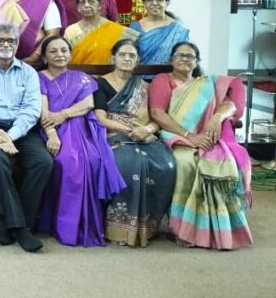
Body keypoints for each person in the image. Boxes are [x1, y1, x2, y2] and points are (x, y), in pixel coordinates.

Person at [149, 41, 252, 250]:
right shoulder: (163, 79)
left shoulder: (207, 83)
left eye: (190, 56)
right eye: (180, 55)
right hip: (174, 134)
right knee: (186, 162)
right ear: (172, 60)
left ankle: (214, 228)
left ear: (197, 62)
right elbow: (157, 113)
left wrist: (216, 117)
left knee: (222, 162)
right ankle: (181, 229)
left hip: (206, 135)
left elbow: (233, 102)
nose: (185, 59)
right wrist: (189, 136)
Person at [0, 24, 52, 252]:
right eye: (1, 40)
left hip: (21, 130)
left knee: (43, 162)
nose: (6, 44)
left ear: (17, 44)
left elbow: (32, 110)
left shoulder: (28, 72)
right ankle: (22, 228)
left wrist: (10, 136)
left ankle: (10, 224)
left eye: (11, 41)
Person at [37, 36, 125, 247]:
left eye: (63, 50)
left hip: (81, 127)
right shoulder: (38, 78)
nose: (59, 55)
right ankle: (64, 225)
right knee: (66, 162)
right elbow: (43, 111)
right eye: (53, 51)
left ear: (70, 54)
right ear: (45, 57)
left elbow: (88, 104)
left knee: (94, 160)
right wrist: (52, 134)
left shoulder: (82, 78)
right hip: (51, 128)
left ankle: (85, 224)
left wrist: (64, 114)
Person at [93, 39, 177, 247]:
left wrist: (147, 130)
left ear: (138, 60)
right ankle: (120, 228)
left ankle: (148, 226)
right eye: (122, 54)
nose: (127, 59)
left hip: (145, 136)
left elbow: (157, 117)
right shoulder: (100, 84)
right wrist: (130, 130)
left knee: (166, 164)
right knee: (128, 163)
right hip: (115, 135)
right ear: (113, 58)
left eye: (131, 55)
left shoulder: (145, 87)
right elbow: (101, 119)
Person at [3, 0, 65, 64]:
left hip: (35, 62)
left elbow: (53, 34)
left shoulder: (46, 0)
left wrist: (33, 57)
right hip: (3, 58)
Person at [63, 0, 138, 64]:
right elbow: (66, 58)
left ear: (100, 5)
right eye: (82, 2)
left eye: (91, 1)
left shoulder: (118, 31)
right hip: (78, 72)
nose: (86, 5)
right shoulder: (71, 31)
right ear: (78, 7)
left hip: (109, 72)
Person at [129, 0, 189, 65]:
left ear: (167, 2)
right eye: (149, 0)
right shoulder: (134, 27)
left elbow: (184, 57)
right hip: (139, 72)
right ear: (144, 3)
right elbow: (126, 55)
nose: (154, 3)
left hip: (169, 73)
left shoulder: (177, 30)